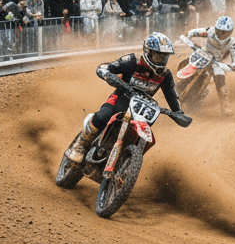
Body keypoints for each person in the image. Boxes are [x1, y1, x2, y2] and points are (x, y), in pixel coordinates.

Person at [59, 32, 185, 172]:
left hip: (142, 110)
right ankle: (81, 144)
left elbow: (171, 94)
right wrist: (112, 77)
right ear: (148, 52)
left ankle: (127, 163)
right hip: (120, 100)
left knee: (144, 138)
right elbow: (104, 68)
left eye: (164, 57)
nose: (161, 60)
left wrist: (178, 112)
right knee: (102, 116)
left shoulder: (165, 75)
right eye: (158, 55)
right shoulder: (132, 61)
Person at [181, 16, 235, 115]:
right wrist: (188, 37)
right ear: (215, 29)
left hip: (216, 64)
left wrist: (230, 66)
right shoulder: (210, 31)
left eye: (224, 32)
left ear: (230, 32)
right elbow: (193, 32)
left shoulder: (232, 43)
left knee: (220, 80)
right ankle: (177, 88)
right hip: (202, 56)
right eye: (218, 31)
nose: (220, 34)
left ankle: (225, 106)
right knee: (187, 64)